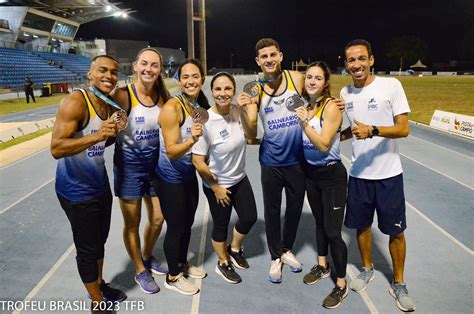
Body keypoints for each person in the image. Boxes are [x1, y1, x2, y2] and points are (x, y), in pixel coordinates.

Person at [340, 39, 415, 312]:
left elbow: (403, 128)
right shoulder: (345, 93)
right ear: (345, 63)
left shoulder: (391, 86)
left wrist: (372, 130)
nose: (356, 64)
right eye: (351, 60)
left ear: (371, 60)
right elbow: (351, 129)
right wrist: (330, 138)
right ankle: (367, 268)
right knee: (361, 226)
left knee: (396, 231)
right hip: (359, 174)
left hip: (388, 175)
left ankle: (399, 282)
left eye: (361, 58)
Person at [50, 55, 127, 311]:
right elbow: (57, 148)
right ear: (90, 74)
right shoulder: (75, 102)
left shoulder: (108, 104)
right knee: (87, 249)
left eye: (114, 72)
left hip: (99, 185)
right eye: (102, 70)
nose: (109, 76)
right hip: (76, 191)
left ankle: (100, 284)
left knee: (100, 242)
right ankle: (97, 303)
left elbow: (101, 142)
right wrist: (98, 135)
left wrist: (112, 134)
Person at [237, 38, 305, 283]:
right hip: (271, 160)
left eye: (272, 55)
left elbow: (317, 96)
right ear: (258, 61)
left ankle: (287, 249)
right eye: (264, 56)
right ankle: (276, 256)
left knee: (295, 208)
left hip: (298, 159)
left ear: (281, 55)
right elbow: (252, 130)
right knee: (273, 210)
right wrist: (246, 108)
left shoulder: (296, 79)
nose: (269, 59)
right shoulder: (253, 87)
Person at [111, 48, 169, 294]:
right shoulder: (123, 96)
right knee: (132, 223)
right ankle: (139, 270)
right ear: (135, 66)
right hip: (129, 169)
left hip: (156, 167)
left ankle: (147, 255)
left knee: (158, 218)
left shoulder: (163, 97)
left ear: (160, 70)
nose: (149, 69)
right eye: (144, 63)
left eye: (154, 65)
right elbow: (105, 130)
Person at [192, 72, 258, 284]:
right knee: (220, 225)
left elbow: (250, 134)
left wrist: (246, 111)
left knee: (249, 217)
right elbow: (198, 161)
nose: (223, 93)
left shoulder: (237, 111)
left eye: (227, 88)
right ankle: (223, 262)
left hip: (239, 178)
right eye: (218, 89)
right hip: (218, 184)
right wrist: (215, 186)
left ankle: (235, 248)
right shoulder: (206, 122)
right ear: (211, 92)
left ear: (234, 90)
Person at [294, 61, 348, 309]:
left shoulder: (330, 107)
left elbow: (325, 144)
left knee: (333, 231)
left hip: (331, 175)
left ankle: (341, 285)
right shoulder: (307, 106)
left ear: (326, 83)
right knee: (319, 223)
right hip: (311, 175)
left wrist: (305, 123)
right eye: (308, 77)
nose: (312, 81)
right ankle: (322, 266)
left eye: (317, 78)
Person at [153, 58, 209, 295]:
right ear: (178, 80)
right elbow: (172, 150)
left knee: (187, 223)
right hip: (169, 177)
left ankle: (182, 263)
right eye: (185, 77)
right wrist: (192, 140)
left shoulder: (197, 104)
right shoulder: (172, 108)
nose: (190, 81)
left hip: (187, 175)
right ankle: (173, 276)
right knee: (176, 226)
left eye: (195, 76)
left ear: (202, 79)